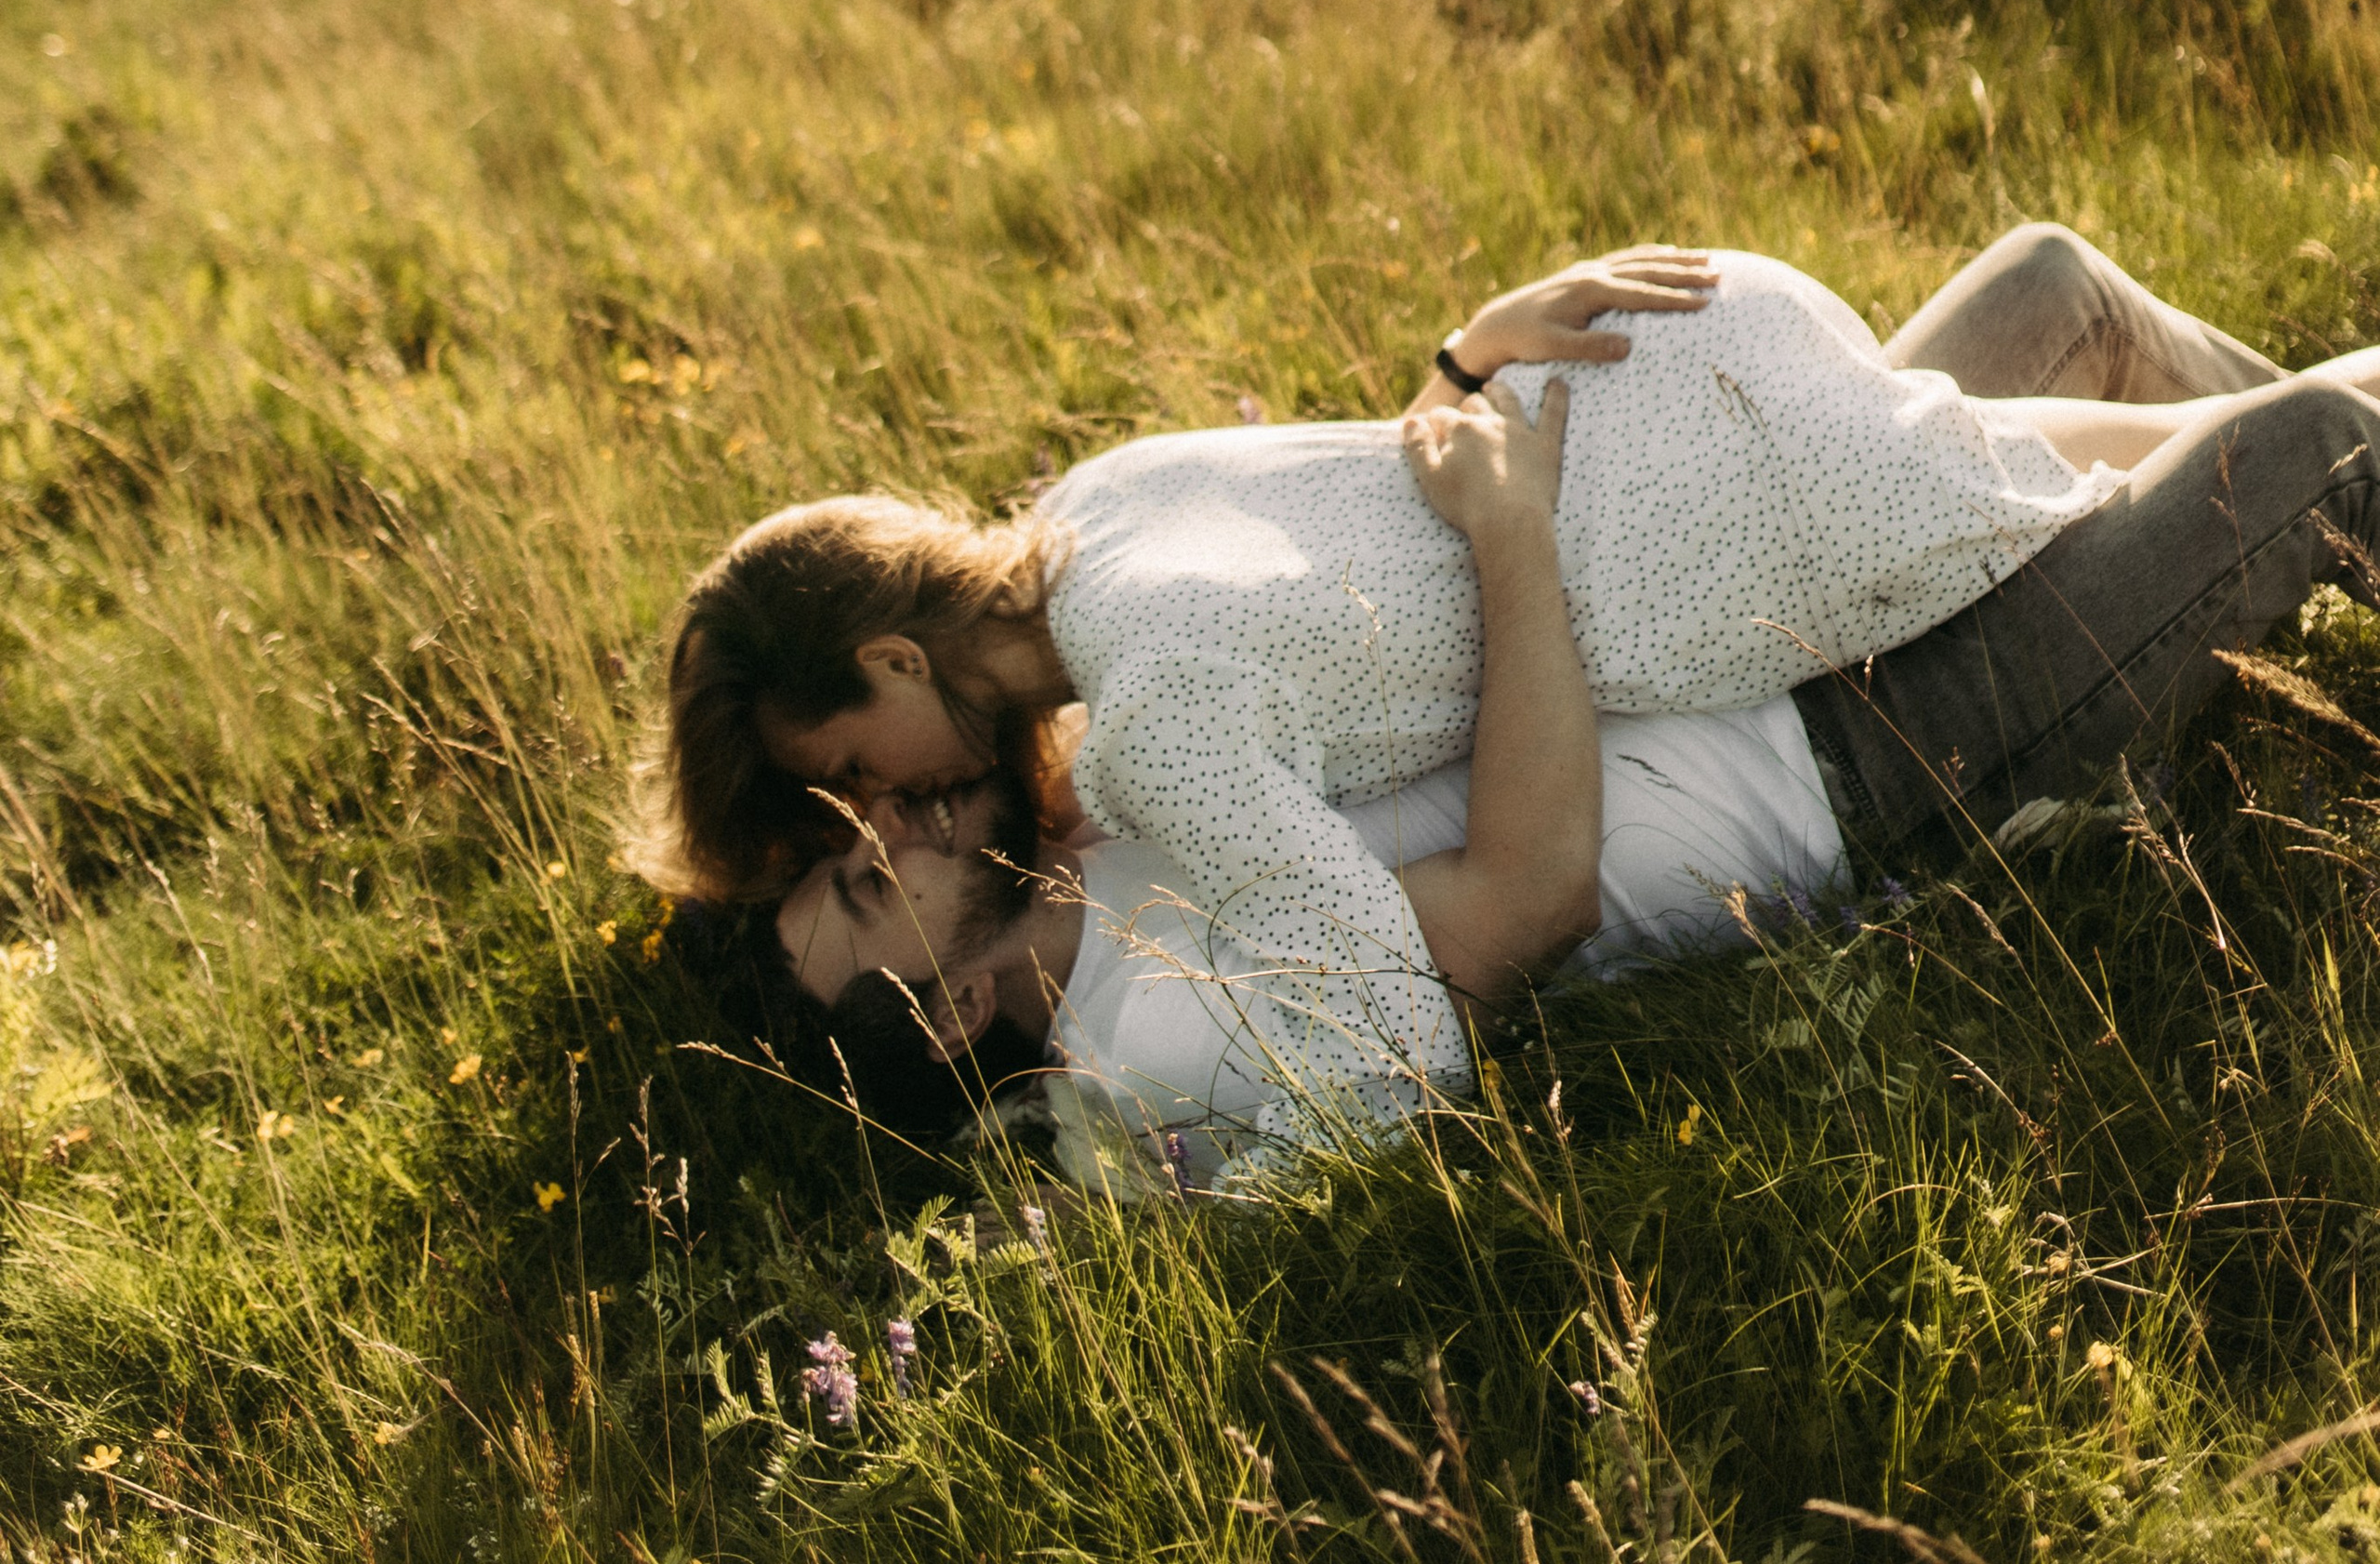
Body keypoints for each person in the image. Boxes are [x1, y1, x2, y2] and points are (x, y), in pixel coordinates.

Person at [639, 225, 2325, 1138]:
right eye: (864, 845)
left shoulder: (1127, 663)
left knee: (2054, 292)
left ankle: (2305, 561)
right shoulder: (1108, 574)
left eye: (856, 779)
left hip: (1729, 559)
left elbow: (1353, 556)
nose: (888, 811)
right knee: (2315, 445)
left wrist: (1458, 373)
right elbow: (1471, 948)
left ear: (890, 653)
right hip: (1825, 713)